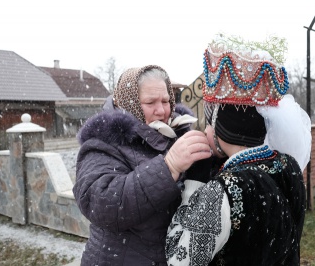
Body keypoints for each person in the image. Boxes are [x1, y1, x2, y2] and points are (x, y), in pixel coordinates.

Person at [166, 33, 312, 266]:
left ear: (220, 124)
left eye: (209, 121)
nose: (205, 130)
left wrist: (194, 182)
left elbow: (178, 259)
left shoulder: (224, 189)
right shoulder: (288, 165)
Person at [73, 65, 212, 266]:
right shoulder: (102, 143)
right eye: (150, 102)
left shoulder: (174, 134)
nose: (161, 110)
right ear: (130, 104)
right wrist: (169, 167)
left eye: (165, 101)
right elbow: (102, 203)